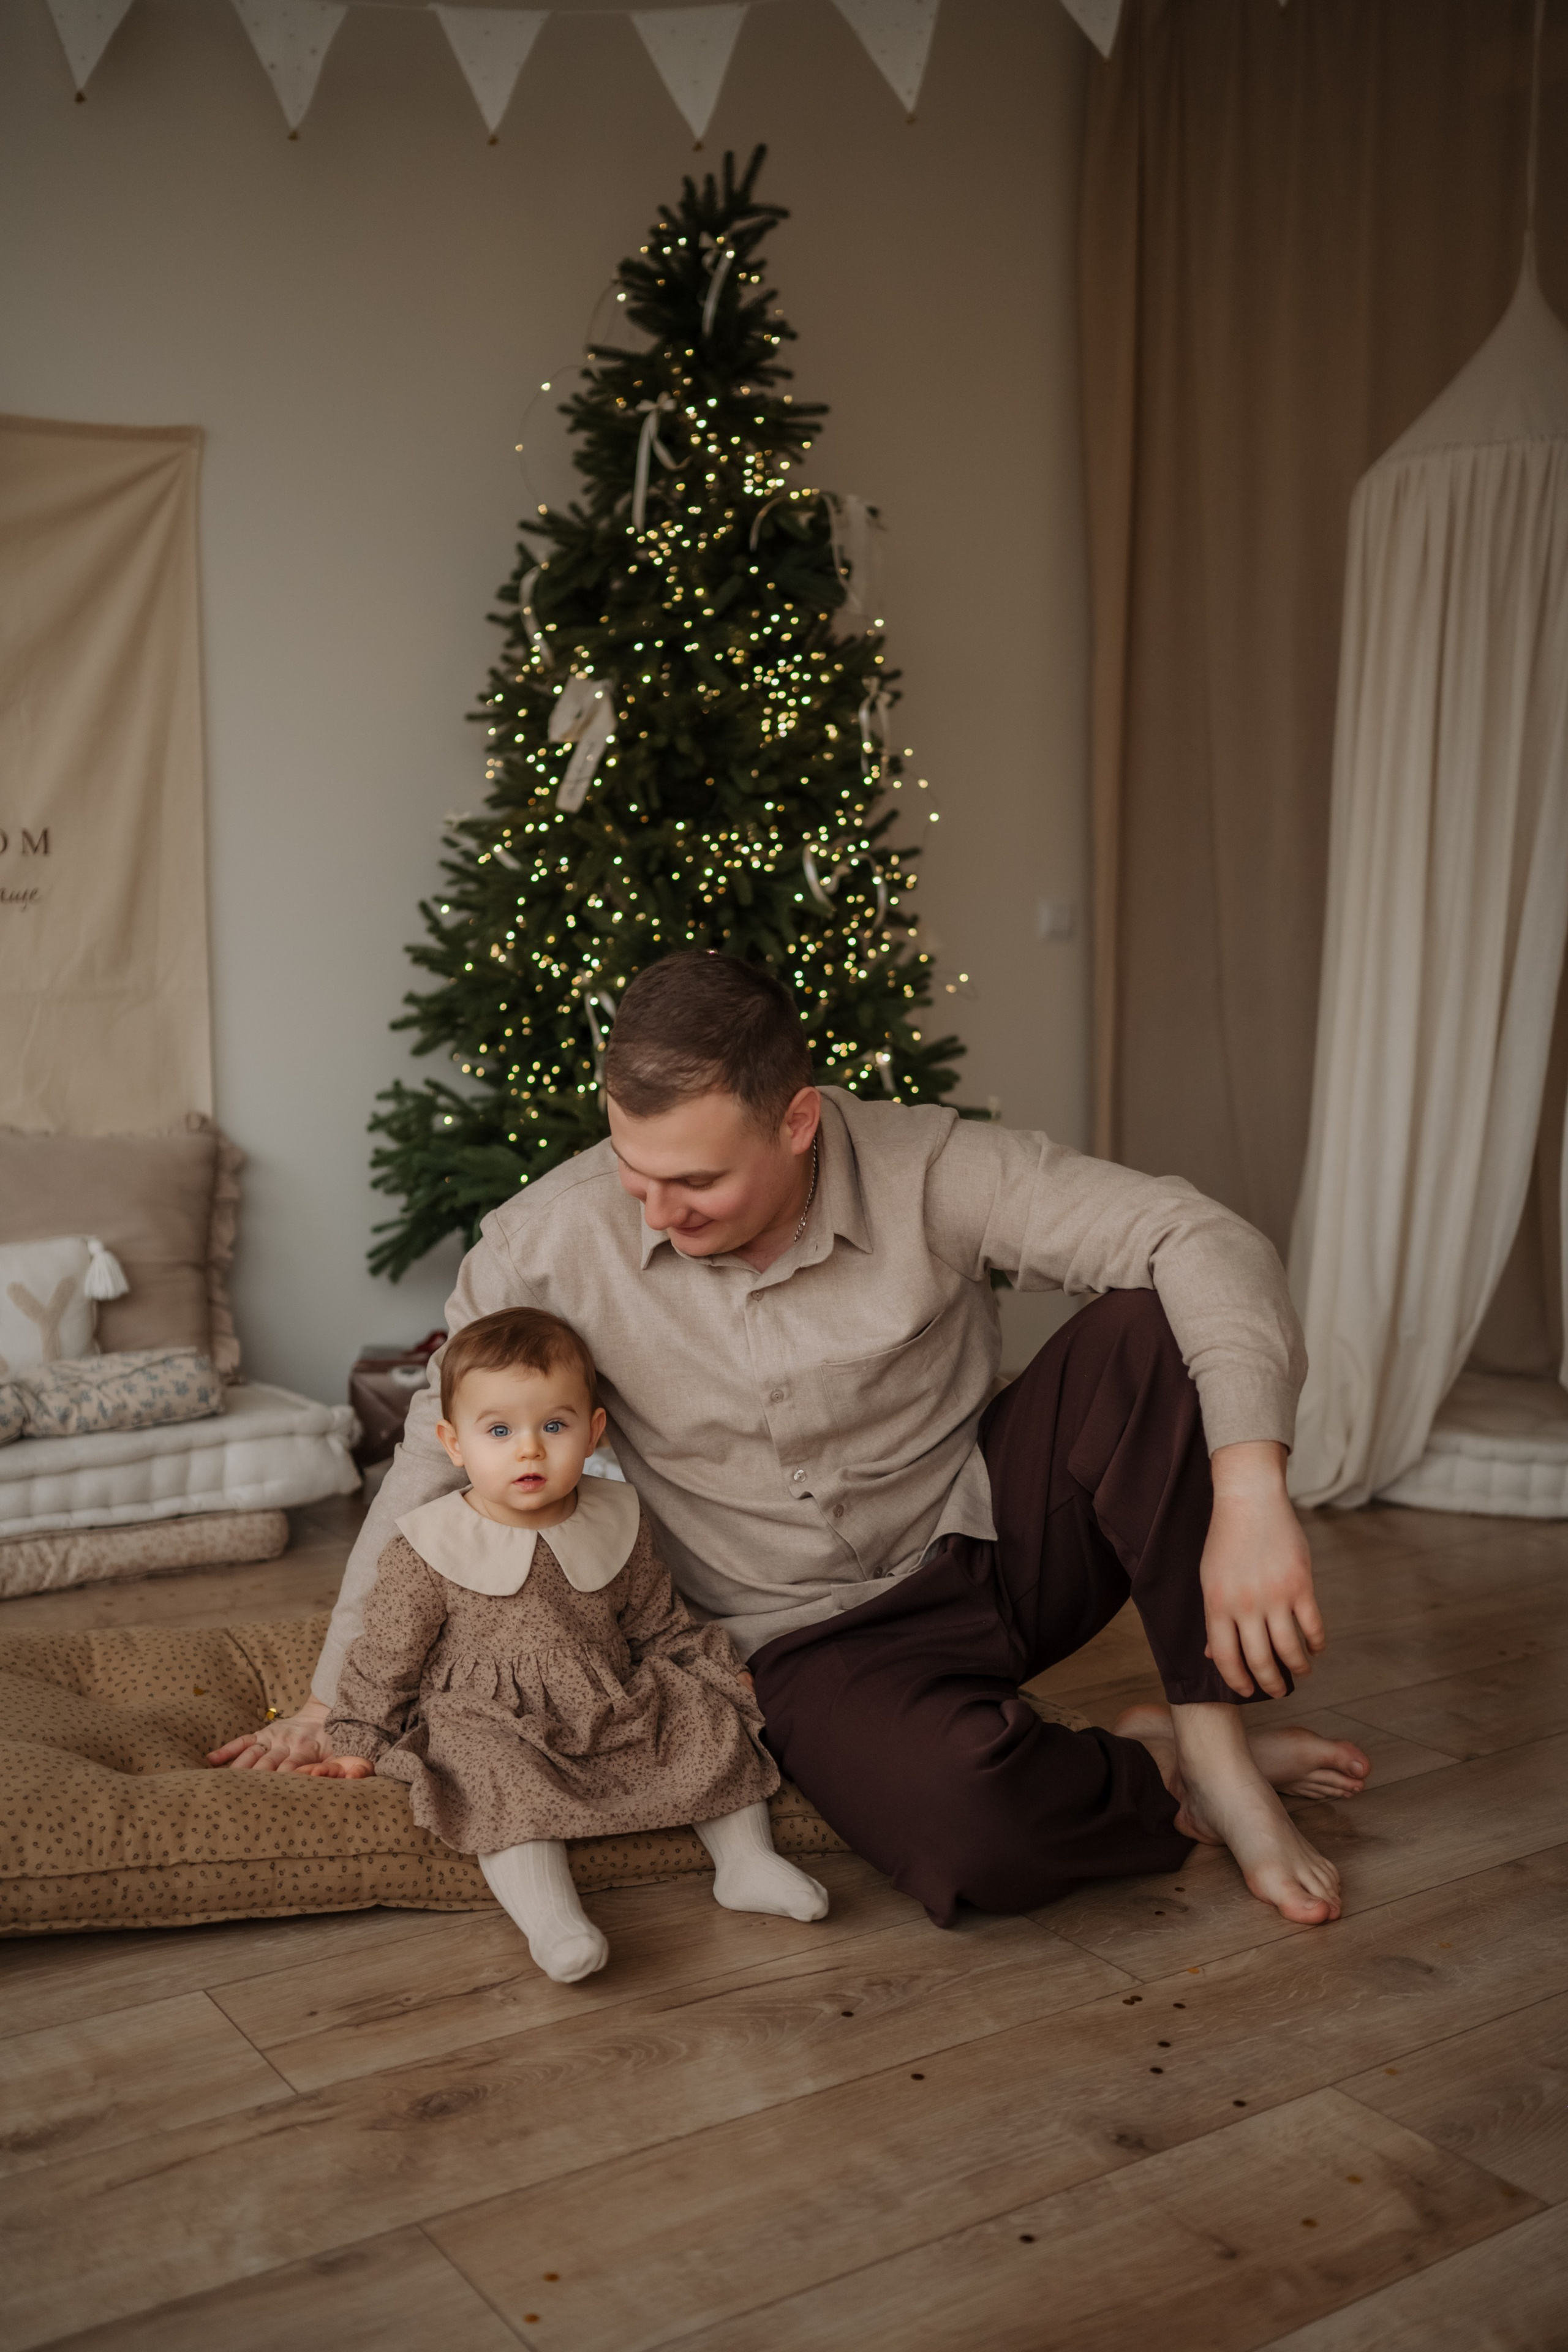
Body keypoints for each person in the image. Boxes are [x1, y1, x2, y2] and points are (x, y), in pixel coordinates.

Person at [212, 951, 1369, 1929]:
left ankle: (1218, 1751)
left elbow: (1201, 1235)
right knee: (975, 1841)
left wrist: (1254, 1491)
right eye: (633, 1171)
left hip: (993, 1540)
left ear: (799, 1120)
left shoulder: (934, 1169)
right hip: (808, 1641)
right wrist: (331, 1698)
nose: (654, 1212)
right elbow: (430, 1457)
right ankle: (1147, 1765)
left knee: (1149, 1323)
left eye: (696, 1181)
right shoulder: (549, 1241)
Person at [302, 1302, 827, 1981]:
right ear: (455, 1443)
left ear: (594, 1432)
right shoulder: (427, 1547)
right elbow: (386, 1660)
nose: (529, 1449)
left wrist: (712, 1673)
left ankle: (747, 1863)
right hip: (491, 1713)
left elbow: (654, 1622)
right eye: (498, 1430)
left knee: (702, 1716)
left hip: (606, 1694)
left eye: (554, 1425)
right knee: (487, 1767)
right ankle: (552, 1920)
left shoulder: (618, 1520)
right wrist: (356, 1741)